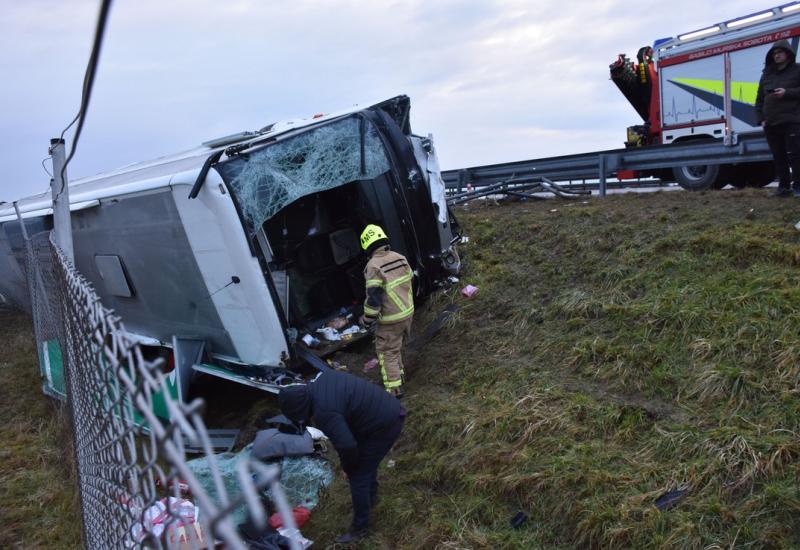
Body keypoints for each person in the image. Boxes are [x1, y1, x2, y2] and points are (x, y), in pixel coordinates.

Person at [278, 371, 406, 544]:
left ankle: (360, 529)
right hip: (383, 409)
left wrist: (348, 467)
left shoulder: (324, 412)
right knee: (365, 461)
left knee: (358, 474)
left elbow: (347, 445)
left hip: (385, 423)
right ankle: (371, 497)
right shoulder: (322, 379)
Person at [358, 224, 414, 398]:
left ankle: (394, 389)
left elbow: (374, 298)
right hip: (407, 312)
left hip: (390, 318)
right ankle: (400, 375)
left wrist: (367, 319)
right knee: (395, 347)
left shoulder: (373, 266)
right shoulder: (400, 257)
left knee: (386, 351)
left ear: (367, 246)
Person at [755, 40, 800, 197]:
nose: (776, 55)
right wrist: (761, 118)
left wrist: (786, 92)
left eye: (779, 52)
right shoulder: (767, 73)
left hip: (792, 120)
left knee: (796, 155)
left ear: (788, 53)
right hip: (771, 122)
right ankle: (783, 188)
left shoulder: (797, 70)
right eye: (774, 53)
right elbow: (759, 98)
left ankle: (798, 187)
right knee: (778, 156)